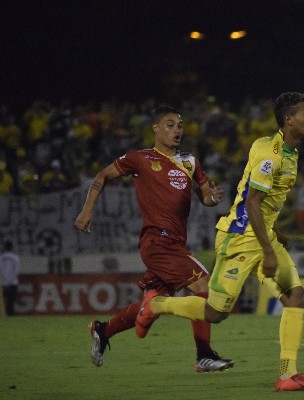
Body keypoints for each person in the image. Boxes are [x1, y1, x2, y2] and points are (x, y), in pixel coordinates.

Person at [135, 92, 304, 391]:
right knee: (216, 312)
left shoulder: (283, 149)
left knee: (296, 297)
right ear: (289, 120)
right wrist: (269, 251)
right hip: (240, 239)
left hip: (262, 233)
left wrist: (275, 233)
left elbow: (261, 200)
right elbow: (252, 203)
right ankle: (156, 304)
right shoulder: (272, 154)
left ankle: (287, 375)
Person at [74, 105, 233, 372]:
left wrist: (212, 198)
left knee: (153, 303)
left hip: (174, 243)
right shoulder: (140, 159)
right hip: (158, 242)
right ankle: (203, 355)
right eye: (170, 125)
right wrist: (87, 209)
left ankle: (103, 330)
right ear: (156, 128)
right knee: (204, 284)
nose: (177, 130)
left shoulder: (190, 162)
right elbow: (103, 175)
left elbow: (206, 197)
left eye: (180, 125)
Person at [0, 240, 20, 316]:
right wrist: (9, 281)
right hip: (13, 282)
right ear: (12, 248)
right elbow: (16, 271)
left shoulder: (1, 257)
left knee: (2, 301)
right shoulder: (15, 258)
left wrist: (5, 281)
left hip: (2, 283)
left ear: (5, 247)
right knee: (11, 302)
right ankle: (10, 314)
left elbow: (1, 270)